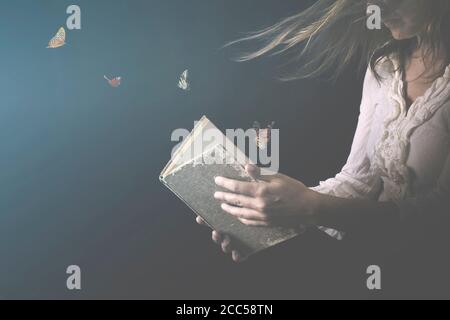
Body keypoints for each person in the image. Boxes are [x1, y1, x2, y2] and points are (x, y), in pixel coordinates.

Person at [197, 0, 450, 280]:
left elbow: (439, 218)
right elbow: (358, 180)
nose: (373, 8)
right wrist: (269, 220)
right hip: (370, 267)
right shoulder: (385, 64)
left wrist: (309, 206)